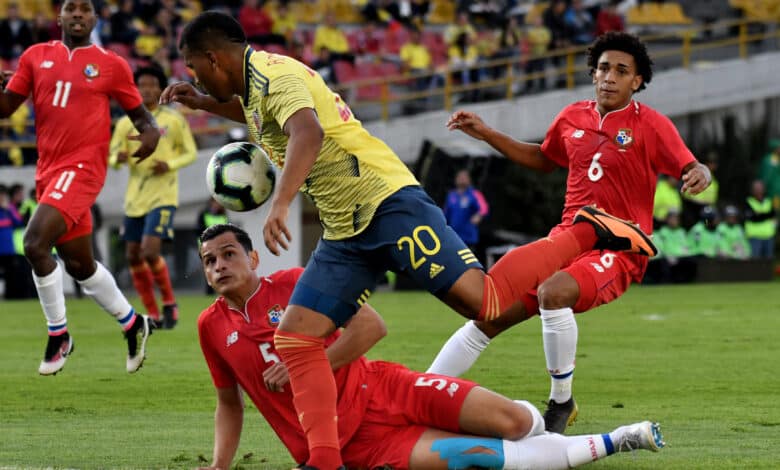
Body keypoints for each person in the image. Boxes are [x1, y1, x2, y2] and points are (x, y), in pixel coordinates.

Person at [161, 13, 656, 469]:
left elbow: (306, 133)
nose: (197, 77)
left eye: (195, 70)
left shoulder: (276, 76)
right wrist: (203, 103)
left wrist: (281, 202)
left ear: (213, 58)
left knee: (483, 302)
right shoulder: (253, 87)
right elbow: (257, 115)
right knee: (295, 338)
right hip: (346, 228)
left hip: (386, 201)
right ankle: (325, 461)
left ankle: (587, 229)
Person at [196, 223, 665, 470]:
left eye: (229, 254)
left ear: (254, 257)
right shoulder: (210, 327)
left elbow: (370, 328)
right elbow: (227, 403)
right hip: (353, 445)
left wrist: (308, 364)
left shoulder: (297, 283)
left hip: (384, 388)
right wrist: (219, 464)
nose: (219, 266)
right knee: (477, 457)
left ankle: (547, 426)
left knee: (517, 422)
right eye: (209, 261)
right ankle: (617, 441)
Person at [429, 32, 711, 434]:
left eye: (621, 71)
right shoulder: (571, 117)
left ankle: (561, 404)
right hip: (566, 240)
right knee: (487, 316)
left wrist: (700, 173)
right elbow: (544, 159)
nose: (609, 77)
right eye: (602, 68)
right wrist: (487, 133)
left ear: (637, 81)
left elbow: (691, 166)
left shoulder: (651, 125)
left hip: (618, 248)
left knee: (553, 293)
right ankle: (424, 392)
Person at [0, 0, 160, 376]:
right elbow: (7, 108)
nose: (77, 15)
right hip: (48, 172)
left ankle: (59, 336)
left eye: (84, 10)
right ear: (59, 16)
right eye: (71, 8)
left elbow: (140, 114)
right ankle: (133, 323)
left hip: (83, 168)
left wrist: (151, 133)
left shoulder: (111, 64)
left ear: (94, 18)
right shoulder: (35, 57)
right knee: (79, 265)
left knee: (35, 244)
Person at [109, 65, 197, 330]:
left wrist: (168, 165)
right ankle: (153, 314)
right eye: (142, 85)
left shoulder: (173, 120)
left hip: (164, 194)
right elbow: (111, 155)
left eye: (152, 85)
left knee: (150, 250)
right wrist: (118, 158)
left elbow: (190, 153)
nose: (147, 89)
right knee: (133, 255)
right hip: (135, 198)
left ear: (160, 89)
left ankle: (170, 303)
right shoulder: (125, 123)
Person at [443, 169, 489, 255]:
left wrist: (479, 215)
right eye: (460, 177)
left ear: (469, 180)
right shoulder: (451, 195)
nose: (461, 179)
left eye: (464, 177)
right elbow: (446, 214)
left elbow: (484, 208)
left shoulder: (475, 194)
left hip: (468, 237)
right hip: (454, 237)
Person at [197, 196, 229, 294]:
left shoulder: (223, 215)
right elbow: (198, 230)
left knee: (220, 267)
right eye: (215, 202)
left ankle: (221, 289)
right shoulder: (203, 214)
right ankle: (209, 291)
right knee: (210, 268)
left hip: (220, 247)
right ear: (211, 202)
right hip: (206, 247)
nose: (217, 205)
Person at [745, 179, 776, 259]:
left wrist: (760, 215)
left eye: (760, 188)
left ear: (764, 189)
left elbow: (773, 215)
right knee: (755, 261)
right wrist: (766, 215)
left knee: (769, 262)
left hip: (769, 236)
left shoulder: (768, 201)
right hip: (754, 237)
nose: (758, 190)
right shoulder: (748, 202)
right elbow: (753, 218)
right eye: (756, 188)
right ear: (752, 190)